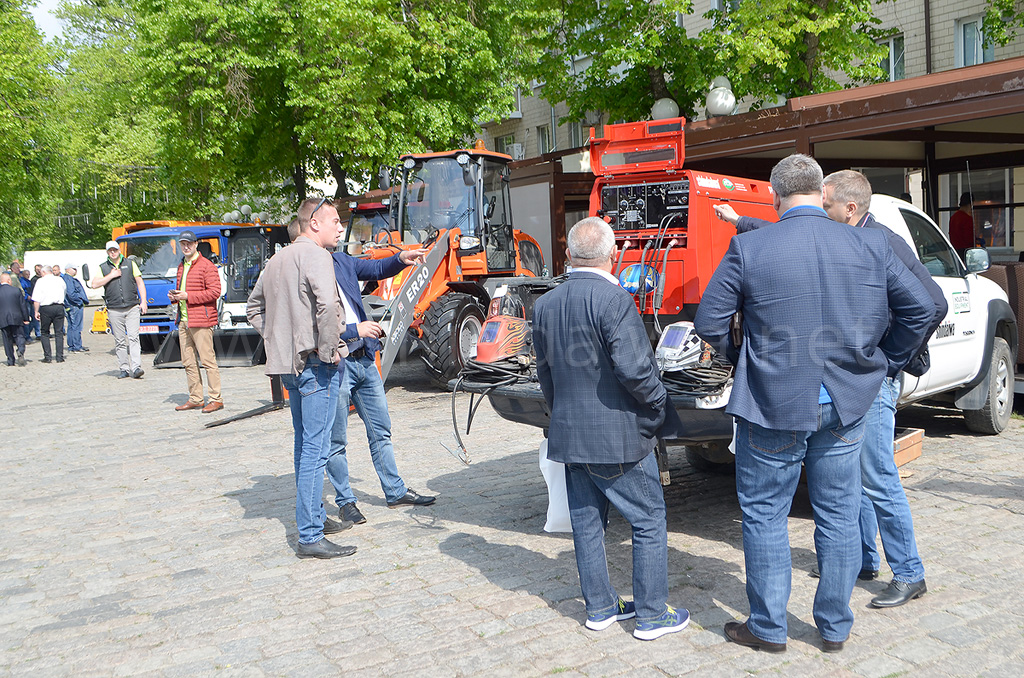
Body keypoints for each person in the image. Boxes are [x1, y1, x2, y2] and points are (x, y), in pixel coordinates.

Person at [694, 154, 933, 654]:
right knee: (840, 514)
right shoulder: (869, 241)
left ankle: (768, 627)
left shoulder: (751, 245)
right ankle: (833, 627)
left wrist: (743, 357)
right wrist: (886, 359)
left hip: (773, 399)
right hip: (846, 400)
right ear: (820, 192)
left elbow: (711, 321)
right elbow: (925, 305)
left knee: (764, 514)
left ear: (775, 196)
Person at [533, 217, 689, 641]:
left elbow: (544, 374)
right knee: (649, 519)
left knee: (587, 525)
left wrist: (563, 411)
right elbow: (636, 370)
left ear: (568, 255)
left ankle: (600, 608)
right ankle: (652, 614)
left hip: (569, 432)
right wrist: (658, 407)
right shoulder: (614, 300)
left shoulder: (545, 304)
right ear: (614, 255)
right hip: (617, 435)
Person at [820, 170, 946, 607]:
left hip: (875, 380)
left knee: (877, 476)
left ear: (849, 209)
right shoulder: (852, 236)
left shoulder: (883, 241)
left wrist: (890, 360)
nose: (821, 211)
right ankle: (863, 559)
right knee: (857, 473)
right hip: (861, 378)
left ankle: (910, 572)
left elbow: (933, 305)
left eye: (826, 205)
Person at [247, 197, 356, 559]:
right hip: (314, 365)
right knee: (315, 449)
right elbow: (327, 307)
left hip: (290, 367)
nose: (340, 227)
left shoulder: (277, 259)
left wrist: (279, 339)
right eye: (335, 221)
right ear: (314, 224)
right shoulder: (316, 256)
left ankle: (313, 519)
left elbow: (253, 308)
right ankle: (309, 534)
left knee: (304, 447)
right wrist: (328, 351)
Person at [326, 242, 434, 525]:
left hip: (363, 359)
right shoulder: (308, 267)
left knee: (381, 430)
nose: (340, 228)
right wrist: (353, 330)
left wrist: (401, 257)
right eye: (335, 222)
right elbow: (314, 325)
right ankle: (346, 502)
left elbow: (375, 268)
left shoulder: (342, 260)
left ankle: (395, 491)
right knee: (336, 439)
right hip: (337, 362)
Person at [168, 230, 224, 413]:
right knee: (188, 362)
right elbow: (183, 291)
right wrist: (175, 297)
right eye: (183, 244)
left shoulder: (207, 266)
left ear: (196, 244)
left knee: (208, 361)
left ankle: (216, 398)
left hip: (201, 320)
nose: (185, 247)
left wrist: (187, 296)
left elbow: (215, 292)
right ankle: (196, 398)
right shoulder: (181, 265)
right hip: (184, 320)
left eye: (189, 244)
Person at [92, 241, 147, 379]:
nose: (113, 252)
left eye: (115, 250)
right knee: (120, 340)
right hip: (114, 309)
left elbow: (140, 282)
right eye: (110, 250)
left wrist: (143, 301)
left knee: (134, 337)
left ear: (119, 250)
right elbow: (94, 284)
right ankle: (124, 368)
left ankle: (136, 367)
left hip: (132, 306)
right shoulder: (103, 267)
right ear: (107, 252)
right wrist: (111, 276)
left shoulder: (130, 263)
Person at [32, 266, 67, 364]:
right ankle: (60, 357)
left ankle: (48, 357)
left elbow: (36, 298)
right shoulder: (60, 280)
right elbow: (64, 292)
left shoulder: (40, 281)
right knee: (59, 332)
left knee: (44, 332)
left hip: (46, 308)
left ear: (44, 272)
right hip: (59, 306)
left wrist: (36, 311)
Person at [0, 272, 30, 366]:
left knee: (7, 339)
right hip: (16, 317)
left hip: (3, 319)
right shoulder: (16, 290)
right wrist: (26, 318)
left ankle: (10, 360)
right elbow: (23, 306)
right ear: (9, 280)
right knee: (19, 336)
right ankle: (20, 350)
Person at [61, 264, 90, 353]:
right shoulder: (68, 279)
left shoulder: (67, 279)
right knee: (76, 326)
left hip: (71, 305)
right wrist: (79, 301)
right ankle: (76, 346)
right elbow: (70, 293)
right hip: (74, 306)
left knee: (71, 326)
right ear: (67, 270)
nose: (76, 271)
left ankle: (73, 345)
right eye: (74, 269)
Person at [949, 192, 976, 258]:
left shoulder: (953, 217)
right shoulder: (967, 219)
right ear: (970, 204)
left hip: (955, 251)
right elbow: (969, 239)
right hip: (966, 252)